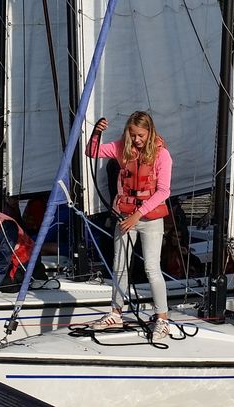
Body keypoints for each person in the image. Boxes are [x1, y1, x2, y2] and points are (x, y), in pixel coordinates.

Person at [84, 111, 172, 340]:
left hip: (150, 219)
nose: (137, 139)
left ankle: (162, 319)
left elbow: (163, 191)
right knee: (119, 266)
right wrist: (96, 134)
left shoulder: (162, 155)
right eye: (133, 135)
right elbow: (91, 152)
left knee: (151, 268)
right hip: (125, 217)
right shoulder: (121, 148)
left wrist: (138, 214)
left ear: (150, 132)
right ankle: (116, 313)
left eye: (141, 135)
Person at [0, 202, 46, 296]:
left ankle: (37, 275)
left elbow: (3, 260)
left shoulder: (6, 228)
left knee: (6, 286)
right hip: (9, 259)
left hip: (26, 259)